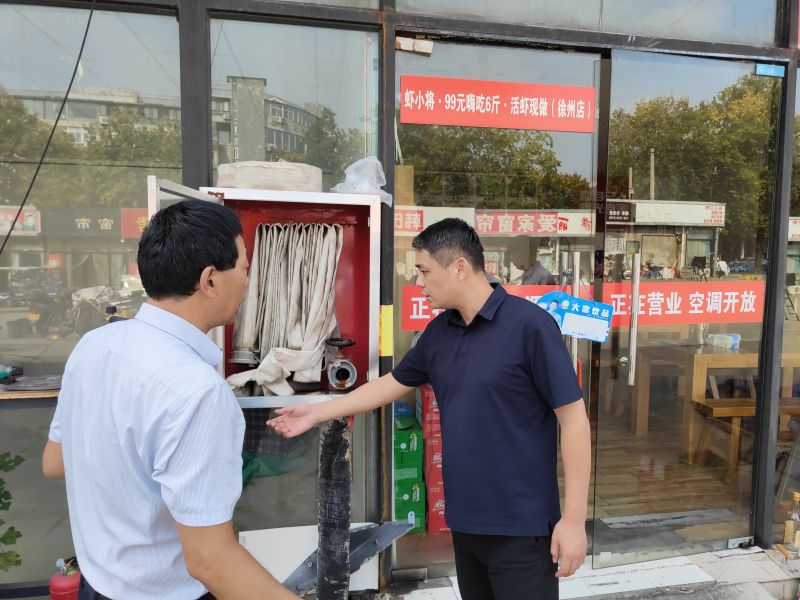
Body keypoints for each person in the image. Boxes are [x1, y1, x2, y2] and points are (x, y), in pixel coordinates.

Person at [268, 218, 591, 600]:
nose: (418, 282)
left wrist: (573, 521)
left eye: (424, 271)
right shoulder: (439, 333)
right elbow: (391, 384)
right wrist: (319, 412)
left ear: (459, 268)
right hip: (466, 524)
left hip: (523, 529)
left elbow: (574, 421)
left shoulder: (529, 326)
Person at [42, 200, 299, 600]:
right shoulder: (197, 391)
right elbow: (210, 561)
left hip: (95, 584)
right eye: (245, 269)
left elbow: (55, 462)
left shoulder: (94, 344)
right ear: (210, 280)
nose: (248, 282)